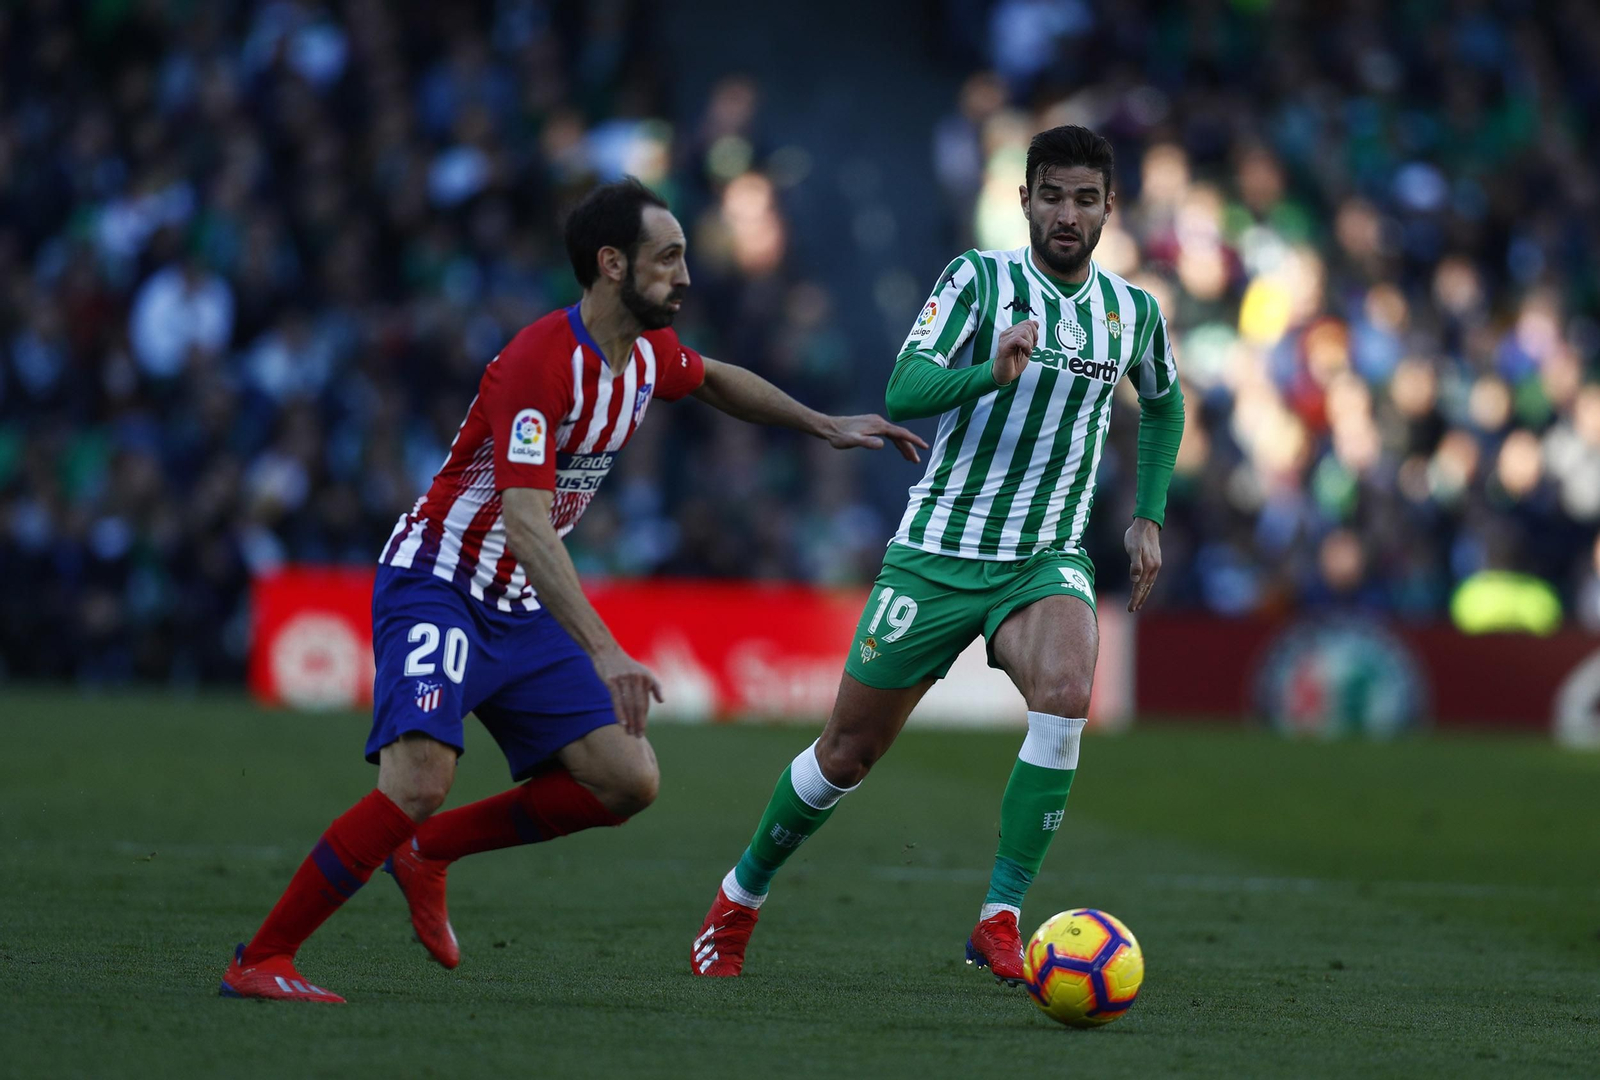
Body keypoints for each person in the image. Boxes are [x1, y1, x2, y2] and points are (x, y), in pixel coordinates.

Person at [219, 177, 926, 1003]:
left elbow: (720, 379)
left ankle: (427, 850)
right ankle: (261, 959)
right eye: (668, 259)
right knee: (416, 779)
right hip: (441, 582)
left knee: (627, 780)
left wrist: (825, 424)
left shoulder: (647, 356)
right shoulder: (539, 362)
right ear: (611, 264)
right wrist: (606, 648)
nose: (686, 276)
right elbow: (524, 522)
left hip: (521, 604)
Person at [690, 126, 1184, 983]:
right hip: (937, 552)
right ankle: (736, 901)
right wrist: (989, 374)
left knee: (1068, 691)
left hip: (1045, 556)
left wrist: (1147, 515)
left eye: (1085, 198)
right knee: (845, 754)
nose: (1068, 214)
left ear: (1109, 210)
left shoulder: (1132, 311)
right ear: (1025, 198)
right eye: (1053, 195)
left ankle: (999, 918)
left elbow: (1167, 405)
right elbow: (903, 390)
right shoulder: (976, 279)